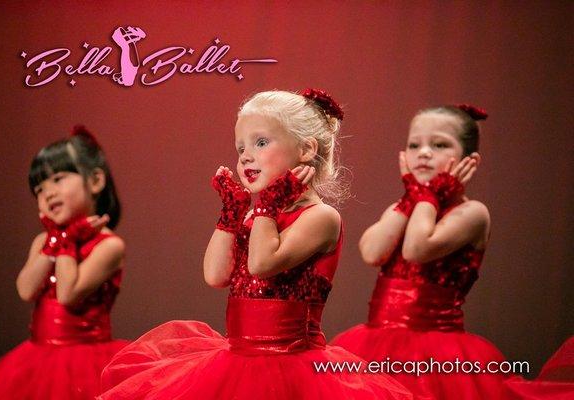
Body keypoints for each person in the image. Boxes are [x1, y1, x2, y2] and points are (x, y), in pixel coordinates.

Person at [99, 89, 412, 399]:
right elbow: (215, 275)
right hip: (236, 357)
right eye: (240, 148)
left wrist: (265, 206)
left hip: (294, 365)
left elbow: (262, 264)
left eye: (261, 143)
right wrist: (231, 215)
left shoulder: (321, 217)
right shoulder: (258, 216)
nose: (246, 155)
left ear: (305, 149)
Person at [332, 105, 507, 399]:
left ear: (468, 160)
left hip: (437, 353)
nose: (423, 152)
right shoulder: (404, 207)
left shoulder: (473, 213)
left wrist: (425, 196)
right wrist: (415, 198)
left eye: (439, 145)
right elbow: (372, 252)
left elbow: (417, 248)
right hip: (375, 341)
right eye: (414, 145)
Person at [0, 126, 128, 399]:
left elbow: (67, 293)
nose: (47, 193)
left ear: (95, 181)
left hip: (87, 361)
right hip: (37, 354)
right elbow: (26, 289)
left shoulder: (109, 245)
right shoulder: (44, 241)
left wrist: (66, 241)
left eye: (58, 179)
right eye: (39, 188)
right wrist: (57, 241)